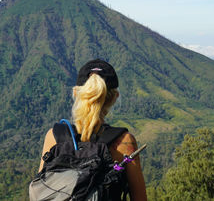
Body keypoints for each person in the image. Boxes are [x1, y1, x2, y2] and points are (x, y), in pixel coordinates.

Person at [38, 59, 147, 201]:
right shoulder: (124, 142)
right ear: (115, 97)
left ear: (76, 93)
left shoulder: (54, 136)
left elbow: (41, 189)